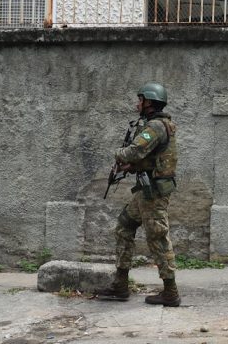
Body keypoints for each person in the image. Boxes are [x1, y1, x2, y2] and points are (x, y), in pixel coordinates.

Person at [96, 83, 181, 307]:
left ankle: (171, 292)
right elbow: (150, 160)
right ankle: (120, 285)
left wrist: (118, 153)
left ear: (150, 102)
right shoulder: (160, 125)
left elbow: (134, 151)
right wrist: (130, 168)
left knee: (158, 238)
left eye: (141, 100)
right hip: (146, 190)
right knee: (124, 226)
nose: (137, 104)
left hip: (153, 194)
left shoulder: (155, 127)